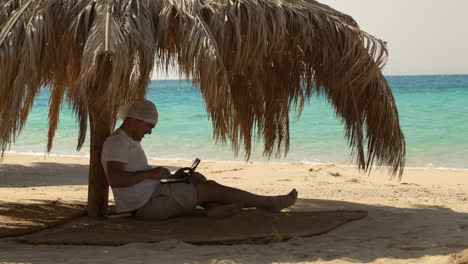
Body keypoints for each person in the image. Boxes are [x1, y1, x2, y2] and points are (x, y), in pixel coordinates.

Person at [101, 99, 298, 220]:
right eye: (149, 126)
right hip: (146, 206)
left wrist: (169, 178)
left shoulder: (128, 141)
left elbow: (133, 175)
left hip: (153, 193)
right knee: (212, 189)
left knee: (197, 178)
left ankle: (212, 208)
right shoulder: (117, 143)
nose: (150, 132)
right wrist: (152, 173)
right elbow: (116, 179)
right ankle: (270, 202)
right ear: (134, 120)